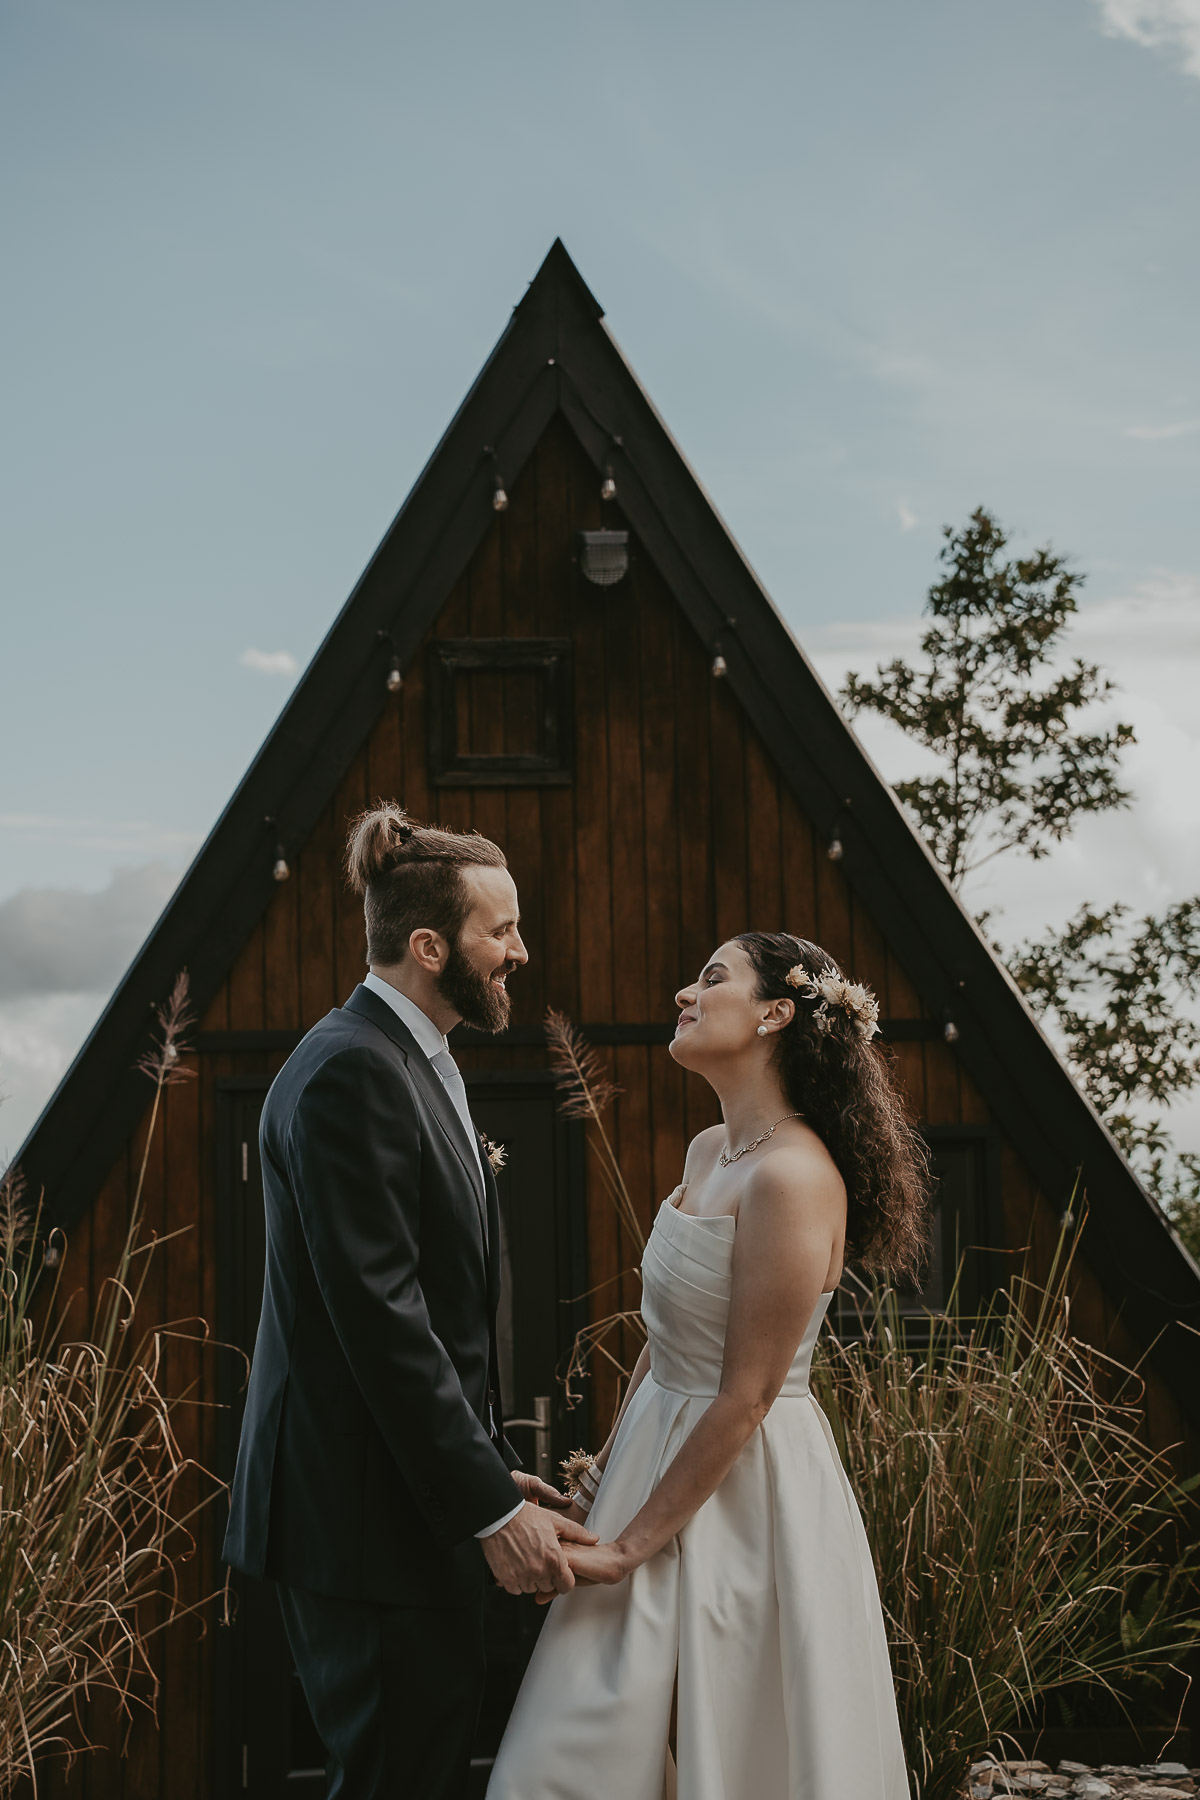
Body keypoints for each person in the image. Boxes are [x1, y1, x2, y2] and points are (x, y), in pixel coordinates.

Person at [488, 932, 930, 1800]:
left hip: (746, 1491)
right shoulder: (706, 1152)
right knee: (570, 1748)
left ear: (775, 1013)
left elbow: (750, 1391)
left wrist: (627, 1551)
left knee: (736, 1744)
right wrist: (602, 1477)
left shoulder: (794, 1178)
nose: (685, 993)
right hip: (654, 1458)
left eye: (712, 979)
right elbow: (665, 1344)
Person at [222, 804, 596, 1800]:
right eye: (500, 931)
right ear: (431, 946)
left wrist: (488, 1472)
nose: (520, 950)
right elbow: (381, 1318)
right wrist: (480, 1504)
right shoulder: (354, 1070)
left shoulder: (414, 1060)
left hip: (402, 1508)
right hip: (363, 1523)